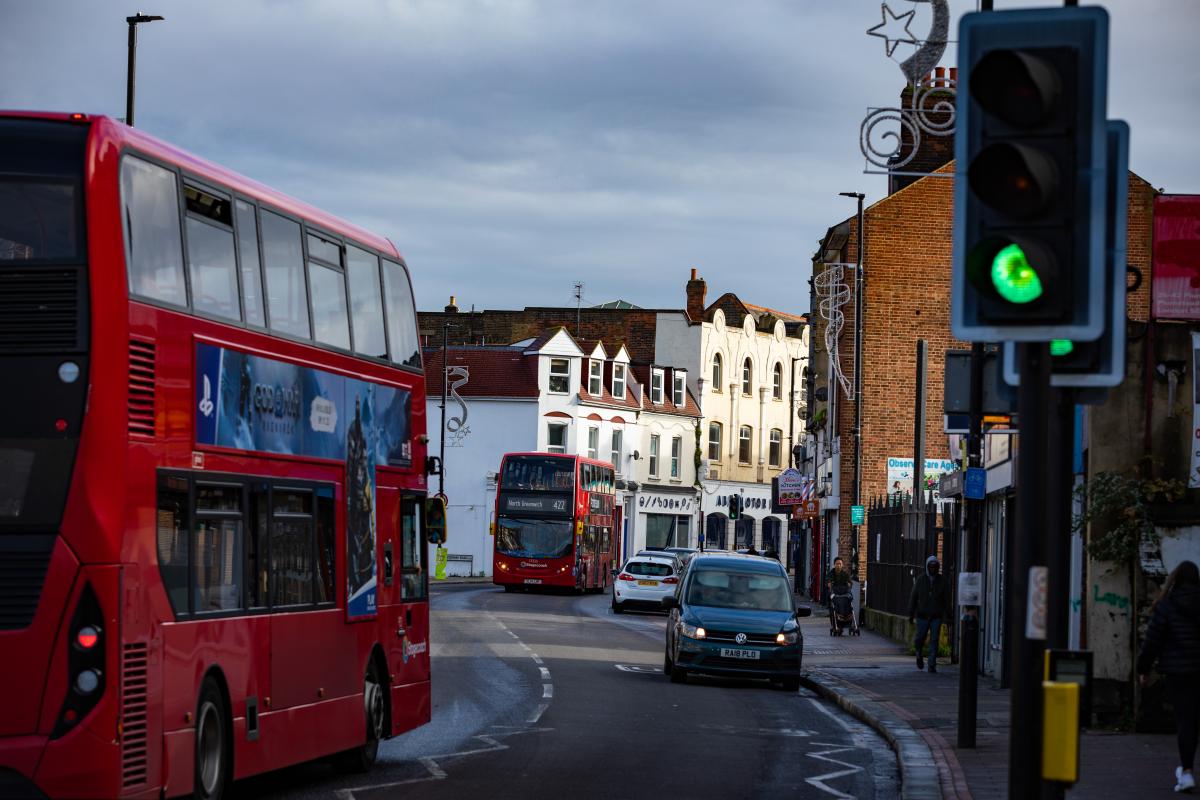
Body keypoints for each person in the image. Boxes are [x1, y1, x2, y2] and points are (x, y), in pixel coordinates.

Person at [1137, 560, 1200, 793]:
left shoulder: (1167, 605)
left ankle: (1186, 773)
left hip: (1178, 672)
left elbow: (1152, 641)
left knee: (1186, 722)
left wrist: (1143, 670)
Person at [909, 555, 951, 673]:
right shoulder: (921, 580)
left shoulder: (942, 582)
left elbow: (947, 600)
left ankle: (932, 664)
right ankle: (918, 654)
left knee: (934, 640)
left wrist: (949, 614)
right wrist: (911, 613)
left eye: (935, 567)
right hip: (922, 615)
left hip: (936, 616)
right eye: (931, 567)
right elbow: (913, 597)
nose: (933, 569)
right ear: (927, 567)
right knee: (919, 639)